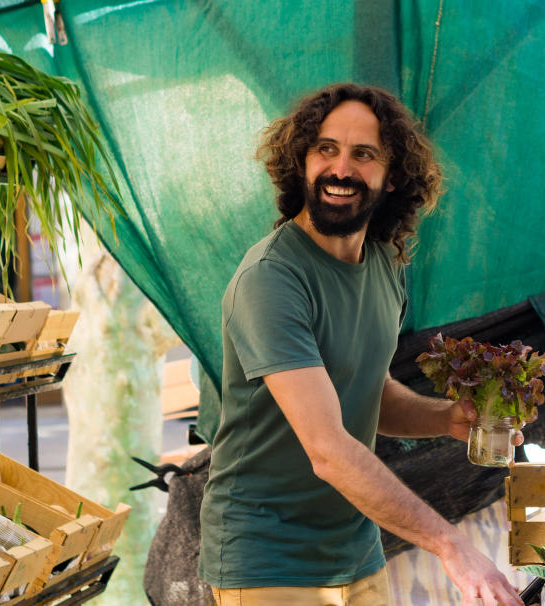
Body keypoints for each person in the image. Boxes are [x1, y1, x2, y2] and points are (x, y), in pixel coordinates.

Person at [198, 83, 524, 606]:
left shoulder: (384, 266)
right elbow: (328, 449)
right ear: (300, 162)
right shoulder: (271, 279)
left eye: (363, 154)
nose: (341, 169)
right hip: (267, 560)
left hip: (355, 552)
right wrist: (451, 545)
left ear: (393, 175)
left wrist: (446, 418)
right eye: (325, 149)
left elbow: (371, 390)